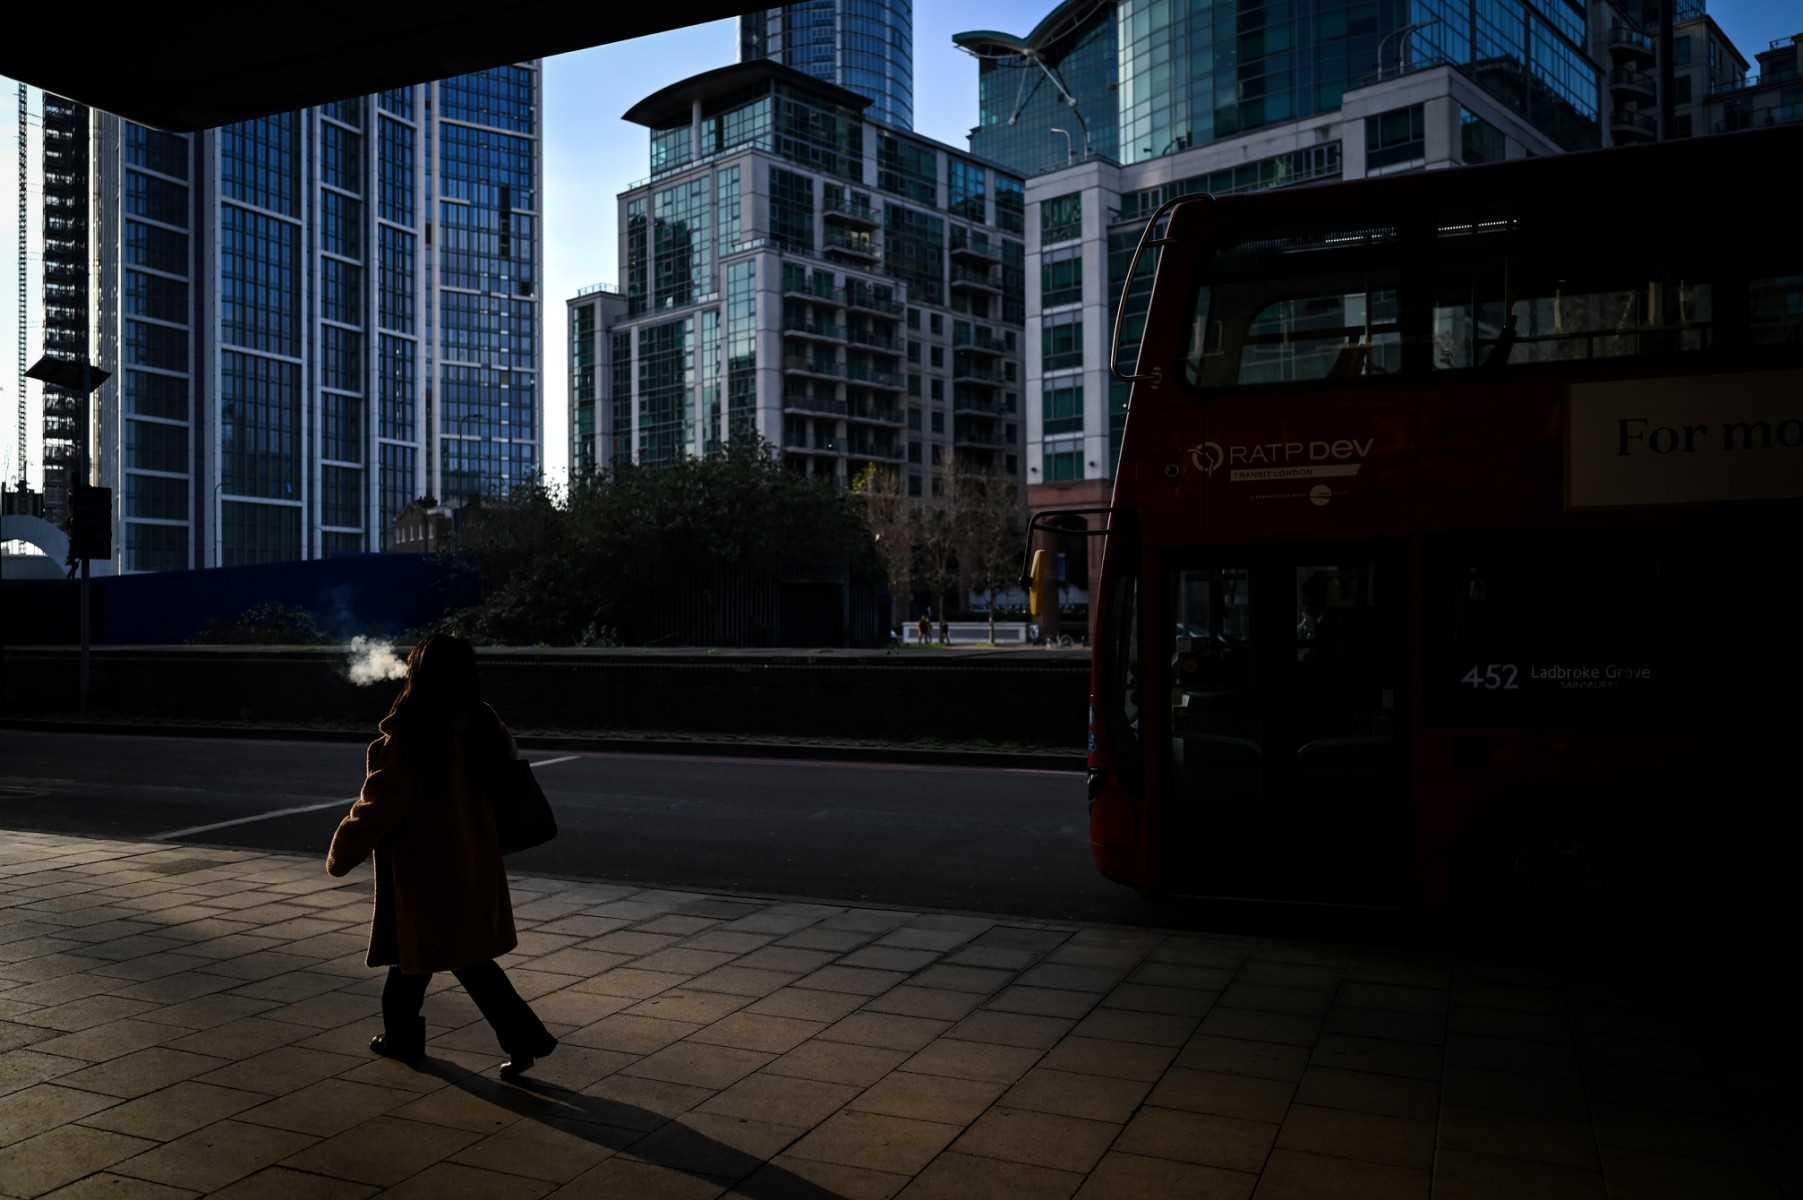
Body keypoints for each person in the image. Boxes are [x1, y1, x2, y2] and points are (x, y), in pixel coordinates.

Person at [327, 634, 556, 1079]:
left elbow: (382, 804)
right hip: (471, 858)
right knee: (446, 957)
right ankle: (517, 1039)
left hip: (425, 869)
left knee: (424, 957)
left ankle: (420, 1038)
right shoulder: (481, 719)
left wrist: (343, 850)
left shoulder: (413, 729)